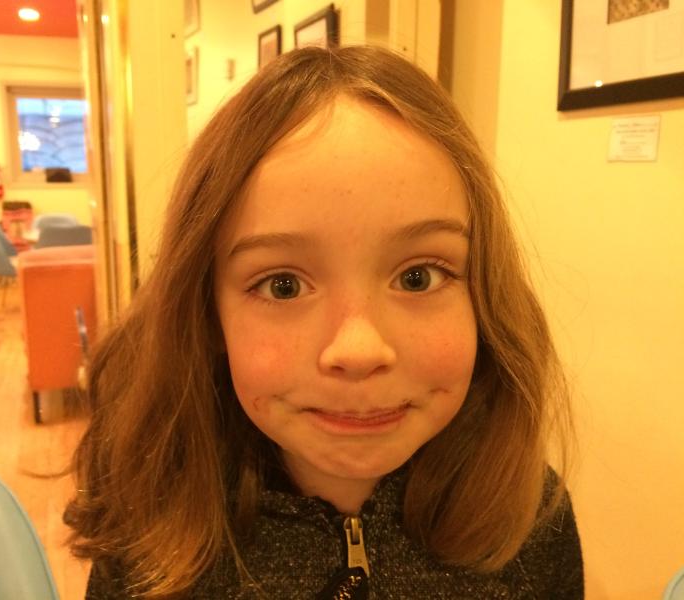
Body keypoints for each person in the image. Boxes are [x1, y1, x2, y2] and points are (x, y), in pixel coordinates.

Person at [66, 45, 583, 599]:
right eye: (282, 286)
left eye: (418, 278)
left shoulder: (531, 520)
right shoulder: (149, 525)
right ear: (206, 315)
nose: (359, 349)